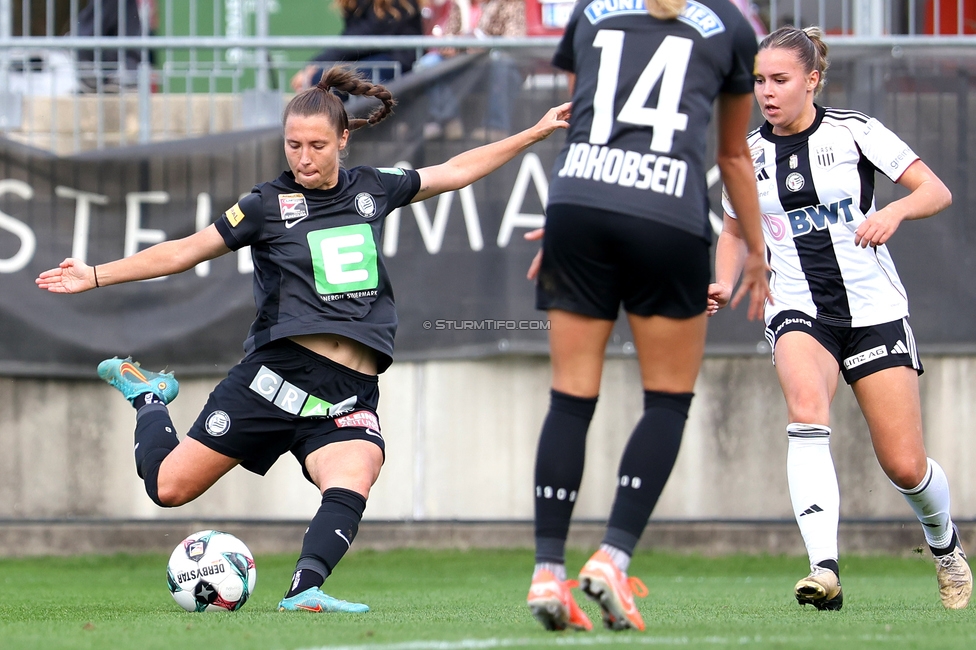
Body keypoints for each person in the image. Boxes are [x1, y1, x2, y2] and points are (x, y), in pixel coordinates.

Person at [36, 66, 570, 614]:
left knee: (355, 471)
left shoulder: (372, 187)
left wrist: (535, 132)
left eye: (317, 145)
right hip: (275, 378)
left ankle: (304, 589)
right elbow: (184, 251)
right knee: (168, 488)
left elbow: (454, 171)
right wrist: (94, 274)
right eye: (294, 145)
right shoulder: (265, 205)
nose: (304, 158)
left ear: (343, 139)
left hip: (348, 390)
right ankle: (148, 395)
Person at [524, 0, 770, 632]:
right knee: (666, 399)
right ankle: (612, 558)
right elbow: (734, 157)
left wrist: (562, 224)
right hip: (667, 214)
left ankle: (547, 570)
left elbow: (579, 122)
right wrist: (757, 252)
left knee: (569, 398)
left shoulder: (592, 11)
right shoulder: (731, 25)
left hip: (578, 200)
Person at [709, 26, 971, 611]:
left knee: (904, 465)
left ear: (812, 80)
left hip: (874, 309)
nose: (766, 92)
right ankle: (823, 568)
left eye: (780, 79)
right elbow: (732, 231)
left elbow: (936, 191)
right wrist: (724, 281)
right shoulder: (745, 154)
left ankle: (945, 544)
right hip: (797, 305)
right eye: (759, 80)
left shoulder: (855, 131)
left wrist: (895, 212)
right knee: (806, 408)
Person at [417, 0, 525, 141]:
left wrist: (484, 47)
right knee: (428, 63)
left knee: (501, 63)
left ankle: (496, 126)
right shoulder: (459, 3)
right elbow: (449, 35)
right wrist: (450, 47)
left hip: (490, 63)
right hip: (462, 61)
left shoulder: (509, 3)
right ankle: (447, 120)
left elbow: (515, 39)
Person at [290, 0, 423, 91]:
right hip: (370, 60)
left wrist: (318, 64)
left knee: (329, 80)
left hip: (398, 63)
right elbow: (353, 38)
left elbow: (364, 34)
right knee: (323, 79)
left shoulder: (396, 4)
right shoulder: (356, 4)